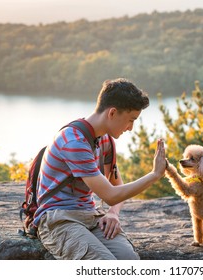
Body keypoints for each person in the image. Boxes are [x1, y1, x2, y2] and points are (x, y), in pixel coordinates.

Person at [33, 78, 167, 260]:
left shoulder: (104, 139)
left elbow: (116, 185)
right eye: (131, 120)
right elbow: (111, 195)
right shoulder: (74, 142)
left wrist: (113, 213)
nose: (130, 128)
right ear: (112, 113)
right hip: (59, 220)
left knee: (130, 260)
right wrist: (154, 175)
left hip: (90, 217)